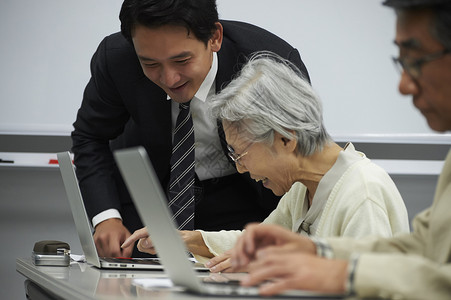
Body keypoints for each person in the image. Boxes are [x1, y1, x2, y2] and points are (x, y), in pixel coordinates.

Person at [227, 0, 451, 299]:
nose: (403, 85)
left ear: (284, 138)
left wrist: (345, 274)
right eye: (401, 62)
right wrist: (316, 250)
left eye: (416, 60)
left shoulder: (363, 188)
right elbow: (423, 247)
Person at [122, 52, 410, 268]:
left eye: (240, 153)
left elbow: (366, 285)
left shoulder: (363, 193)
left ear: (286, 138)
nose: (239, 167)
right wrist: (188, 240)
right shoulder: (302, 187)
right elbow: (257, 243)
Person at [71, 0, 310, 258]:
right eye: (150, 64)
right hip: (150, 202)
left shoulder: (270, 63)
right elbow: (90, 137)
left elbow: (297, 154)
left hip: (247, 199)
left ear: (214, 38)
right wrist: (106, 217)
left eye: (182, 60)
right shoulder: (117, 59)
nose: (170, 78)